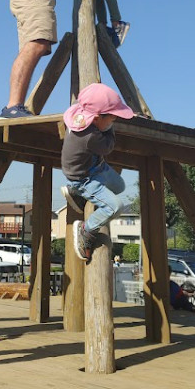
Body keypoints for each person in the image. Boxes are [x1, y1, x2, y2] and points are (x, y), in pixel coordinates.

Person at [60, 83, 135, 263]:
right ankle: (87, 229)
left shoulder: (79, 118)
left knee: (120, 185)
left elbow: (103, 123)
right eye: (112, 118)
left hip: (94, 167)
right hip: (84, 179)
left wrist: (107, 122)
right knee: (115, 206)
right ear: (96, 118)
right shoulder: (91, 136)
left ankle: (76, 194)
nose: (113, 122)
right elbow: (108, 146)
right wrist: (110, 129)